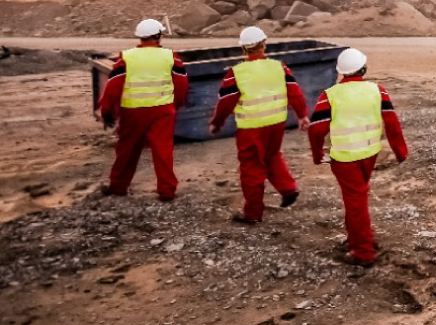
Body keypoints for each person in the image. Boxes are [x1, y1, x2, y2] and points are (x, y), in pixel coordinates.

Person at [307, 47, 407, 267]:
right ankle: (360, 238)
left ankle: (363, 252)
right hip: (369, 154)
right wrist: (400, 151)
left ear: (341, 72)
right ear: (363, 68)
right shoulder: (377, 91)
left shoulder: (330, 95)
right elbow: (392, 124)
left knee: (355, 202)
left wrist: (317, 154)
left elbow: (316, 130)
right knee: (356, 199)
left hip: (345, 159)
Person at [208, 26, 309, 224]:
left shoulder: (236, 73)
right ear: (264, 44)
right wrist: (302, 115)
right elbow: (295, 92)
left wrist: (217, 123)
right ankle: (288, 188)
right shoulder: (279, 67)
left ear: (243, 49)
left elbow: (225, 103)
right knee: (272, 156)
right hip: (277, 124)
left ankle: (252, 213)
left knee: (251, 167)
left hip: (251, 127)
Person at [96, 19, 187, 200]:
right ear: (157, 36)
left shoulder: (127, 57)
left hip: (133, 112)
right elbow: (182, 84)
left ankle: (118, 186)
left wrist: (107, 110)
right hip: (162, 111)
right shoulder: (171, 56)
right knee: (163, 151)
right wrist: (175, 105)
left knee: (126, 150)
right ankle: (167, 191)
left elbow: (113, 85)